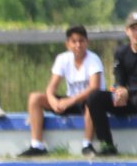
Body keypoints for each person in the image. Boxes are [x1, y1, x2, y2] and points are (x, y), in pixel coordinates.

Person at [18, 26, 103, 157]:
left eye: (81, 41)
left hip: (87, 101)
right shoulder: (62, 59)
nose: (78, 45)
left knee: (91, 101)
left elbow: (94, 87)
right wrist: (53, 101)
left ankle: (87, 144)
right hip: (70, 100)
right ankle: (37, 145)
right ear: (67, 44)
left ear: (87, 42)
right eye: (74, 41)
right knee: (35, 98)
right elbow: (51, 86)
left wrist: (70, 101)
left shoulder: (93, 59)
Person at [85, 11, 137, 157]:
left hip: (133, 95)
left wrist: (129, 91)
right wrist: (119, 91)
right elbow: (119, 78)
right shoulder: (121, 52)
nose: (136, 32)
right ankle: (107, 145)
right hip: (128, 99)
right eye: (133, 28)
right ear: (127, 31)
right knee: (94, 97)